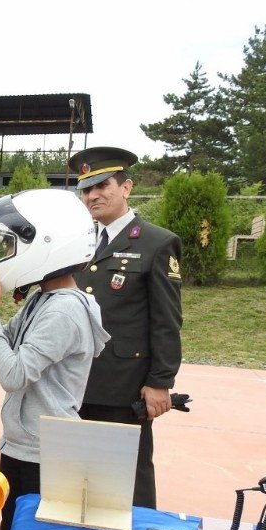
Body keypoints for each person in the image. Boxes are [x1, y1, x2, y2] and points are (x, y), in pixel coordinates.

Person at [0, 189, 110, 530]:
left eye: (10, 244)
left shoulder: (63, 310)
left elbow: (13, 373)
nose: (1, 255)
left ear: (47, 244)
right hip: (23, 445)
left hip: (44, 455)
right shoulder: (43, 298)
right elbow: (5, 338)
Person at [69, 147, 183, 509]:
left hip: (123, 385)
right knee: (77, 475)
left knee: (129, 480)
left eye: (102, 185)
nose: (93, 196)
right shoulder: (79, 241)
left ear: (127, 187)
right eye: (86, 189)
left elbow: (166, 320)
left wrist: (161, 381)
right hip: (74, 381)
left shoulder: (155, 242)